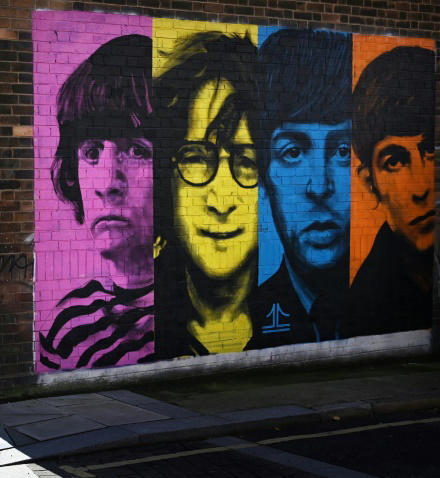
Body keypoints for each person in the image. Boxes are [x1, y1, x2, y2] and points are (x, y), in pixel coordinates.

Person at [38, 34, 155, 370]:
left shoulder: (199, 316)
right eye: (91, 153)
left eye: (136, 151)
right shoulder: (69, 325)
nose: (107, 184)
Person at [151, 31, 260, 358]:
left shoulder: (308, 315)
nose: (222, 200)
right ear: (166, 179)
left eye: (247, 162)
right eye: (196, 158)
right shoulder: (134, 325)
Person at [249, 29, 352, 348]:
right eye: (292, 152)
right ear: (263, 176)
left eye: (343, 150)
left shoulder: (393, 305)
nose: (320, 186)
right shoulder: (247, 325)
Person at [348, 46, 435, 336]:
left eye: (431, 151)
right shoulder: (367, 305)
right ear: (369, 184)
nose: (421, 187)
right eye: (394, 161)